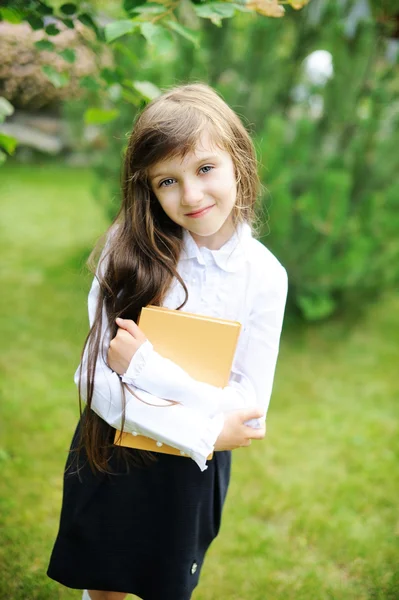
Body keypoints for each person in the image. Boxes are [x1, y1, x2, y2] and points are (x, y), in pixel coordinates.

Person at [47, 83, 288, 600]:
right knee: (103, 583)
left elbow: (247, 412)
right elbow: (93, 377)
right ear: (149, 190)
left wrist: (148, 371)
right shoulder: (129, 249)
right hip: (112, 445)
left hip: (191, 471)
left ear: (238, 162)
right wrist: (202, 425)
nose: (191, 195)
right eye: (167, 181)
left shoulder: (264, 276)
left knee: (166, 585)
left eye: (205, 169)